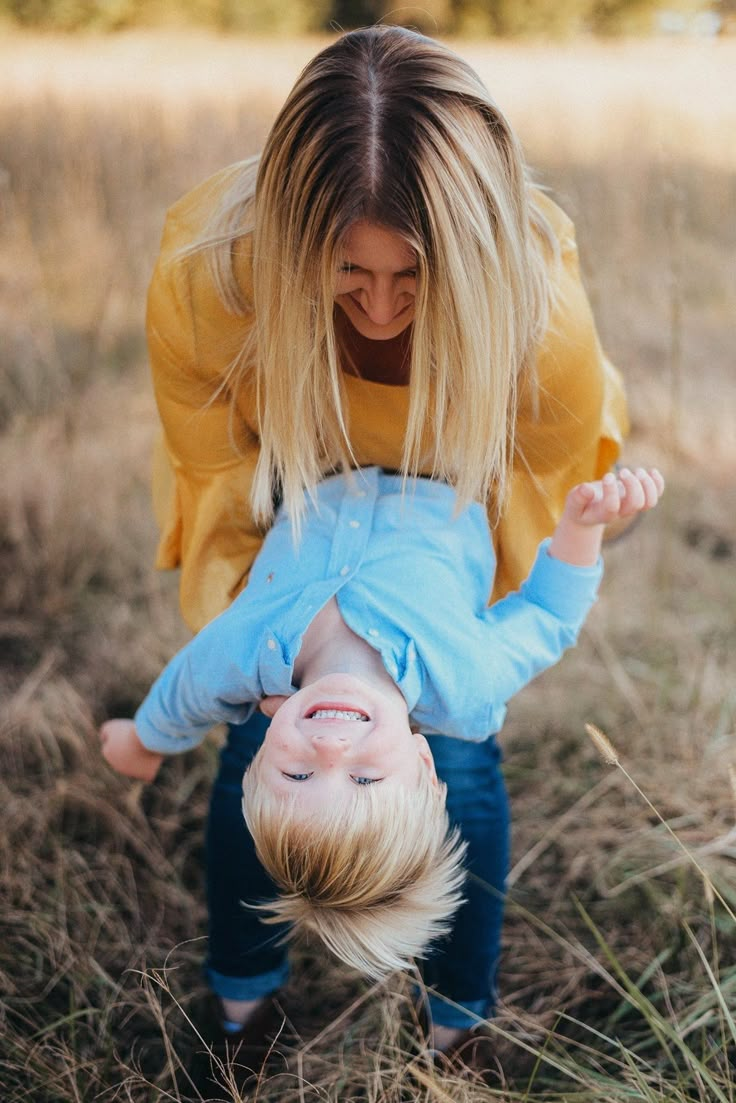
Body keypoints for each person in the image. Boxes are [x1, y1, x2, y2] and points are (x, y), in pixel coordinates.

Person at [130, 24, 631, 1056]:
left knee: (468, 766)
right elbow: (219, 476)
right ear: (287, 238)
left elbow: (533, 515)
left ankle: (458, 1019)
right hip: (294, 516)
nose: (383, 305)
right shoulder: (208, 282)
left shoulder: (542, 329)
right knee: (248, 759)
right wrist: (249, 642)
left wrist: (439, 661)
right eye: (347, 271)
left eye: (416, 275)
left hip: (449, 535)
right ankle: (241, 998)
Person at [101, 465, 663, 980]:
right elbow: (548, 616)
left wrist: (144, 741)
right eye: (364, 780)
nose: (328, 751)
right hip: (449, 461)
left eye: (297, 777)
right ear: (424, 762)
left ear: (264, 746)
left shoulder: (242, 658)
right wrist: (582, 528)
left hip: (319, 457)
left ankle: (239, 994)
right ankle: (459, 1014)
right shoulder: (468, 685)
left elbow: (186, 690)